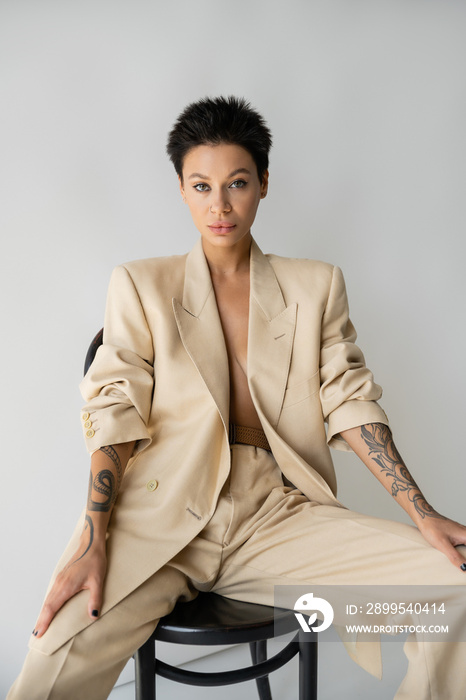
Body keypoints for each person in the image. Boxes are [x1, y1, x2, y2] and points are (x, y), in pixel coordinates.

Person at [8, 96, 466, 700]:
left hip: (275, 517)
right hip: (159, 516)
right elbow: (113, 411)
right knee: (51, 662)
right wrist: (94, 541)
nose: (219, 205)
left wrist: (421, 511)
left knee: (449, 588)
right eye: (201, 186)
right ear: (181, 190)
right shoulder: (141, 284)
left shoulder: (315, 286)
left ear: (264, 184)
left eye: (237, 184)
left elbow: (349, 401)